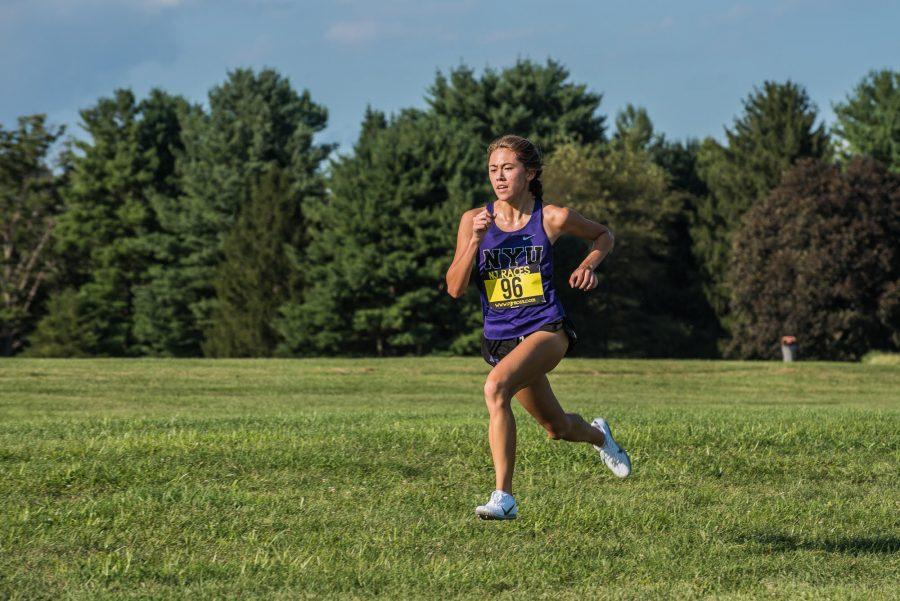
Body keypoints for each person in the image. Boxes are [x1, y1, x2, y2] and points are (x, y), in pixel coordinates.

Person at [445, 134, 631, 520]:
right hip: (501, 341)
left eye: (508, 168)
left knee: (495, 388)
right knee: (557, 427)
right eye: (493, 170)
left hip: (547, 329)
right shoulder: (473, 221)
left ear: (530, 173)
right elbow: (455, 287)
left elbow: (604, 235)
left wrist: (587, 265)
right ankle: (600, 435)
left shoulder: (551, 217)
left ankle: (504, 498)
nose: (499, 177)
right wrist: (474, 242)